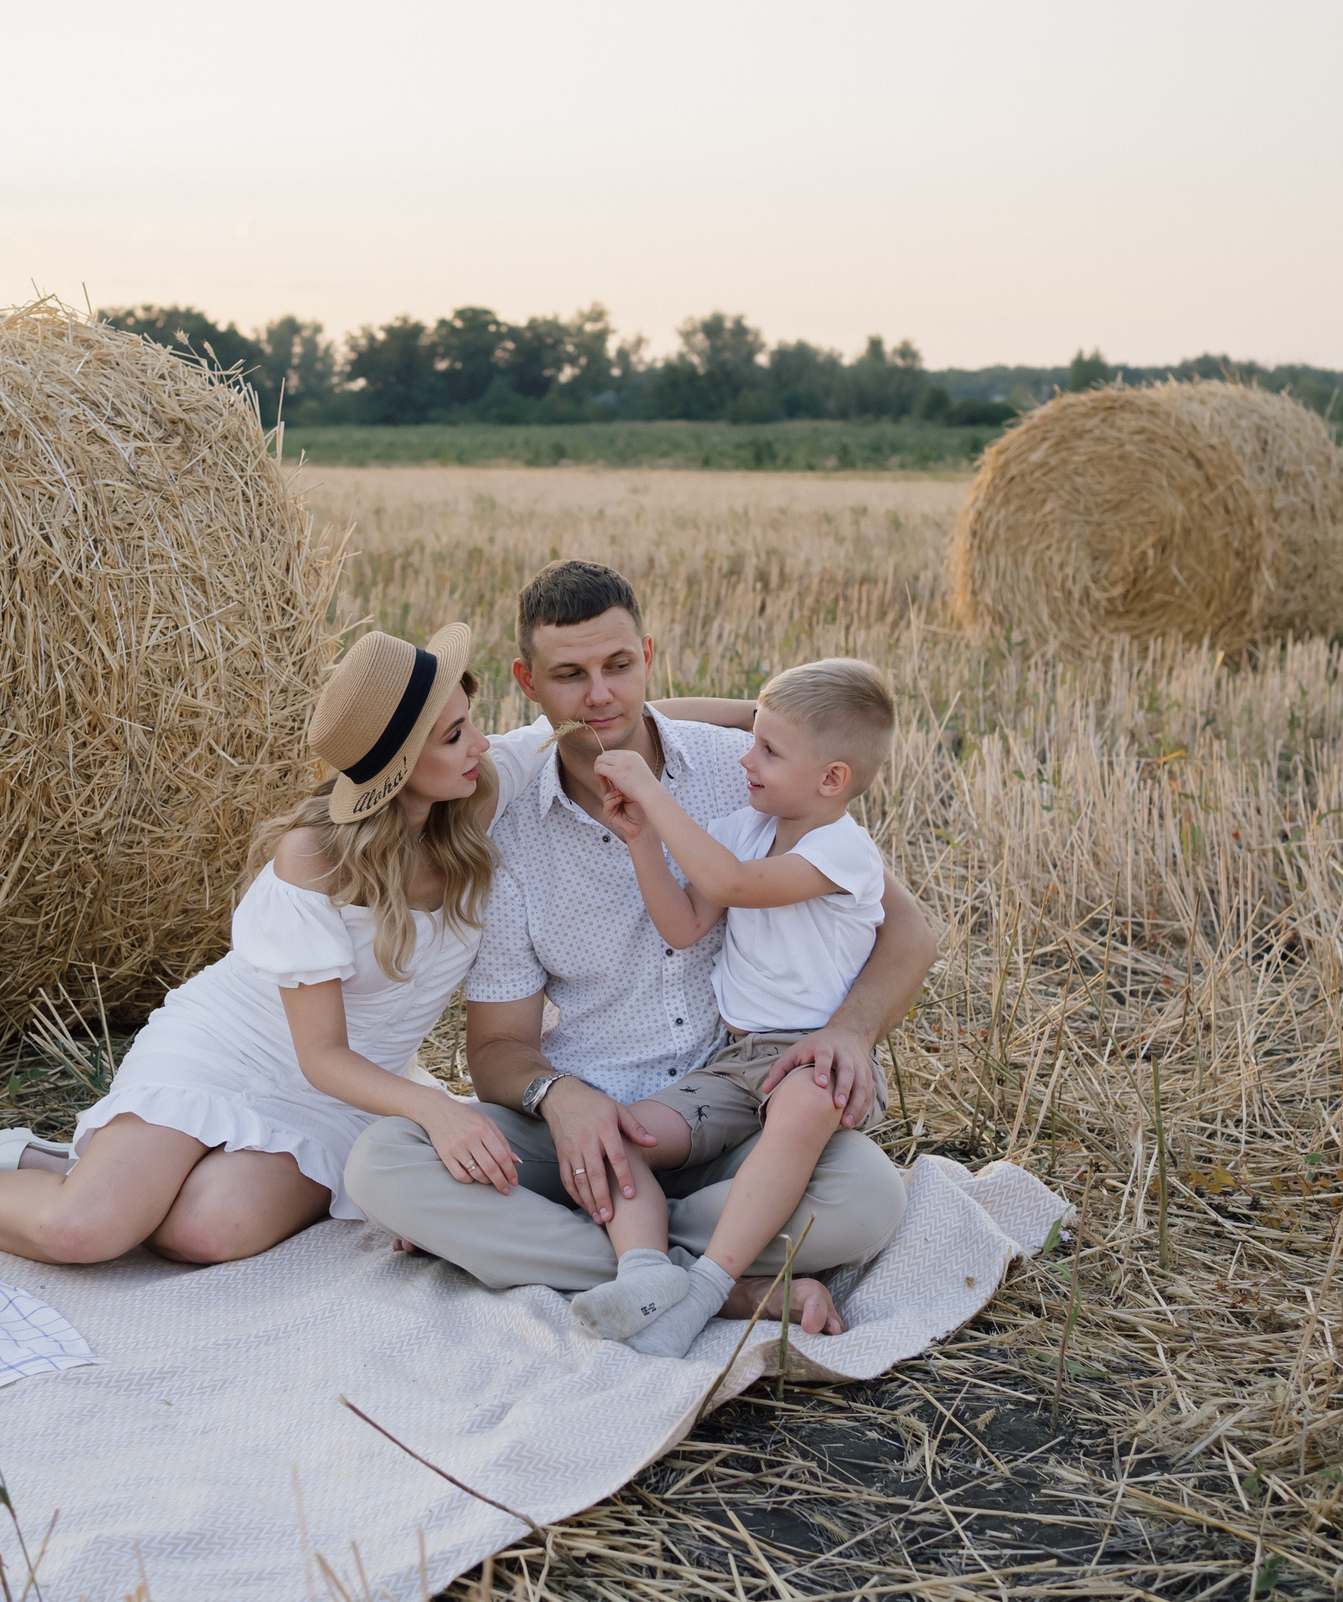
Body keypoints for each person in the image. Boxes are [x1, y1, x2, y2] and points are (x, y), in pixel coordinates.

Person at [0, 621, 753, 1268]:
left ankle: (59, 1155)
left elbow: (607, 728)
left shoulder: (480, 790)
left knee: (210, 1231)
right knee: (88, 1232)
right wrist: (437, 1115)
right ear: (403, 767)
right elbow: (316, 1051)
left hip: (344, 1092)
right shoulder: (313, 858)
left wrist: (773, 722)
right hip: (240, 1052)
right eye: (453, 734)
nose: (483, 741)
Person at [344, 561, 936, 1342]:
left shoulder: (750, 771)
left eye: (619, 665)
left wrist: (851, 1030)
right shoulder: (511, 835)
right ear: (528, 681)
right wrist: (559, 1096)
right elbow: (497, 1047)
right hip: (588, 1133)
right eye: (570, 674)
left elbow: (910, 929)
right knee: (384, 1163)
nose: (599, 695)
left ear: (648, 654)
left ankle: (626, 1262)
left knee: (866, 1196)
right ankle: (717, 1282)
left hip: (741, 1117)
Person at [574, 658, 898, 1355]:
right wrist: (642, 839)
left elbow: (734, 884)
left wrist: (650, 790)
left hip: (813, 1056)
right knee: (622, 1136)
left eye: (768, 750)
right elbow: (685, 923)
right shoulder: (748, 825)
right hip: (735, 1060)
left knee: (810, 1102)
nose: (746, 757)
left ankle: (707, 1291)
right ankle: (645, 1272)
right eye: (754, 737)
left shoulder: (844, 850)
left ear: (832, 779)